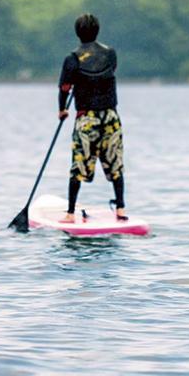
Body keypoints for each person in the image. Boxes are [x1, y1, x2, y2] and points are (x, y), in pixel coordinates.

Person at [57, 14, 126, 223]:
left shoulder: (73, 58)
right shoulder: (110, 54)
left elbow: (64, 89)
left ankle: (70, 214)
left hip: (87, 118)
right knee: (115, 162)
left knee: (79, 164)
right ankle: (121, 209)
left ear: (77, 33)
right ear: (97, 30)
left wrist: (62, 111)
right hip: (111, 116)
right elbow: (108, 73)